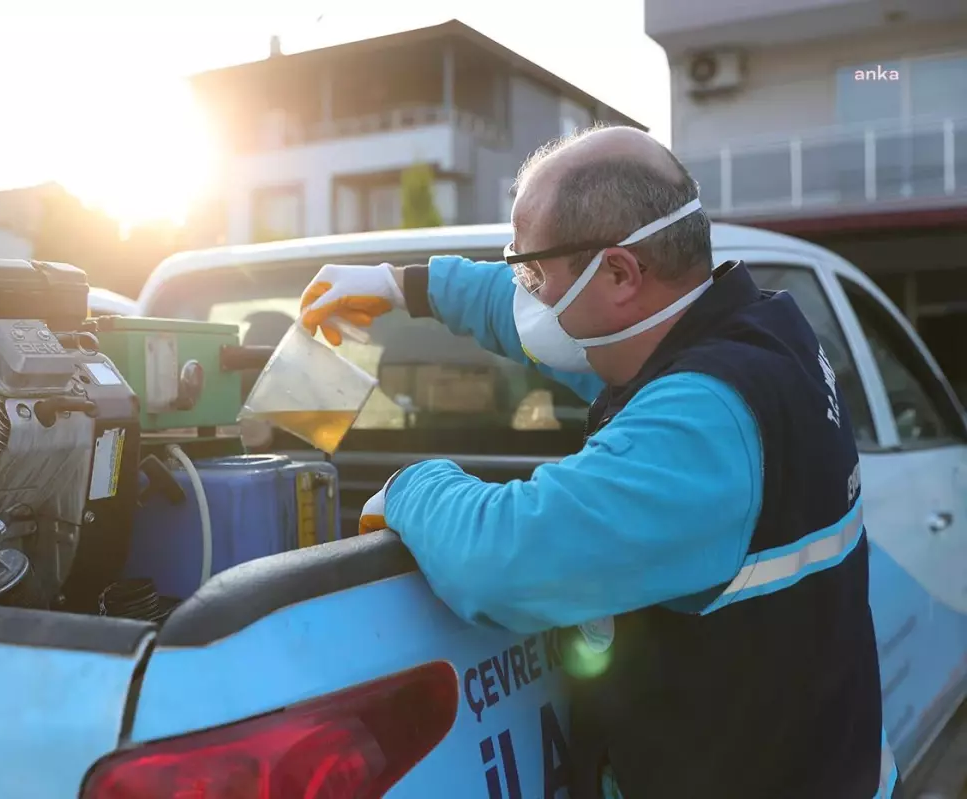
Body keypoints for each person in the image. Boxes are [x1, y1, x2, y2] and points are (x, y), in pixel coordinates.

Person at [298, 125, 895, 799]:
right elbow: (534, 321)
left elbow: (505, 560)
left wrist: (412, 487)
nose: (527, 293)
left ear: (618, 272)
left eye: (534, 273)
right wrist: (406, 286)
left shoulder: (701, 427)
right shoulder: (755, 330)